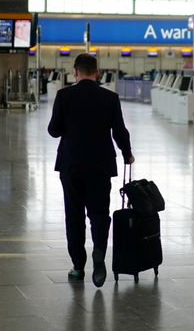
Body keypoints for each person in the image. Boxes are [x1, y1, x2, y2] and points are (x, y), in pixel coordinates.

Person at [48, 54, 134, 287]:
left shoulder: (64, 96)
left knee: (73, 215)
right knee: (99, 213)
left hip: (71, 164)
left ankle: (78, 266)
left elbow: (54, 131)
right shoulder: (110, 97)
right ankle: (98, 251)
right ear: (97, 73)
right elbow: (120, 131)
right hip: (100, 164)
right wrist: (127, 154)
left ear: (75, 72)